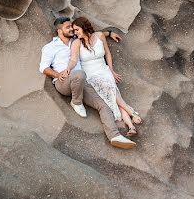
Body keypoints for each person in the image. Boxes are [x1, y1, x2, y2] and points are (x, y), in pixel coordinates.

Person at [39, 16, 136, 149]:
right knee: (79, 74)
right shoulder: (50, 47)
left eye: (73, 27)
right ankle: (76, 102)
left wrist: (109, 33)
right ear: (59, 31)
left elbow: (94, 34)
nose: (72, 29)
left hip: (83, 82)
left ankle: (114, 136)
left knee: (104, 105)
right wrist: (58, 74)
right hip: (64, 82)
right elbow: (43, 67)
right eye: (68, 27)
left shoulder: (76, 39)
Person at [63, 16, 143, 138]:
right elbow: (73, 59)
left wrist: (111, 70)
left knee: (114, 95)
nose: (75, 33)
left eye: (77, 29)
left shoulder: (100, 36)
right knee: (113, 92)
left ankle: (131, 126)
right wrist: (68, 68)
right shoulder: (77, 42)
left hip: (104, 71)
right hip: (91, 75)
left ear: (84, 28)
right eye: (74, 30)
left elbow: (108, 54)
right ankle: (132, 114)